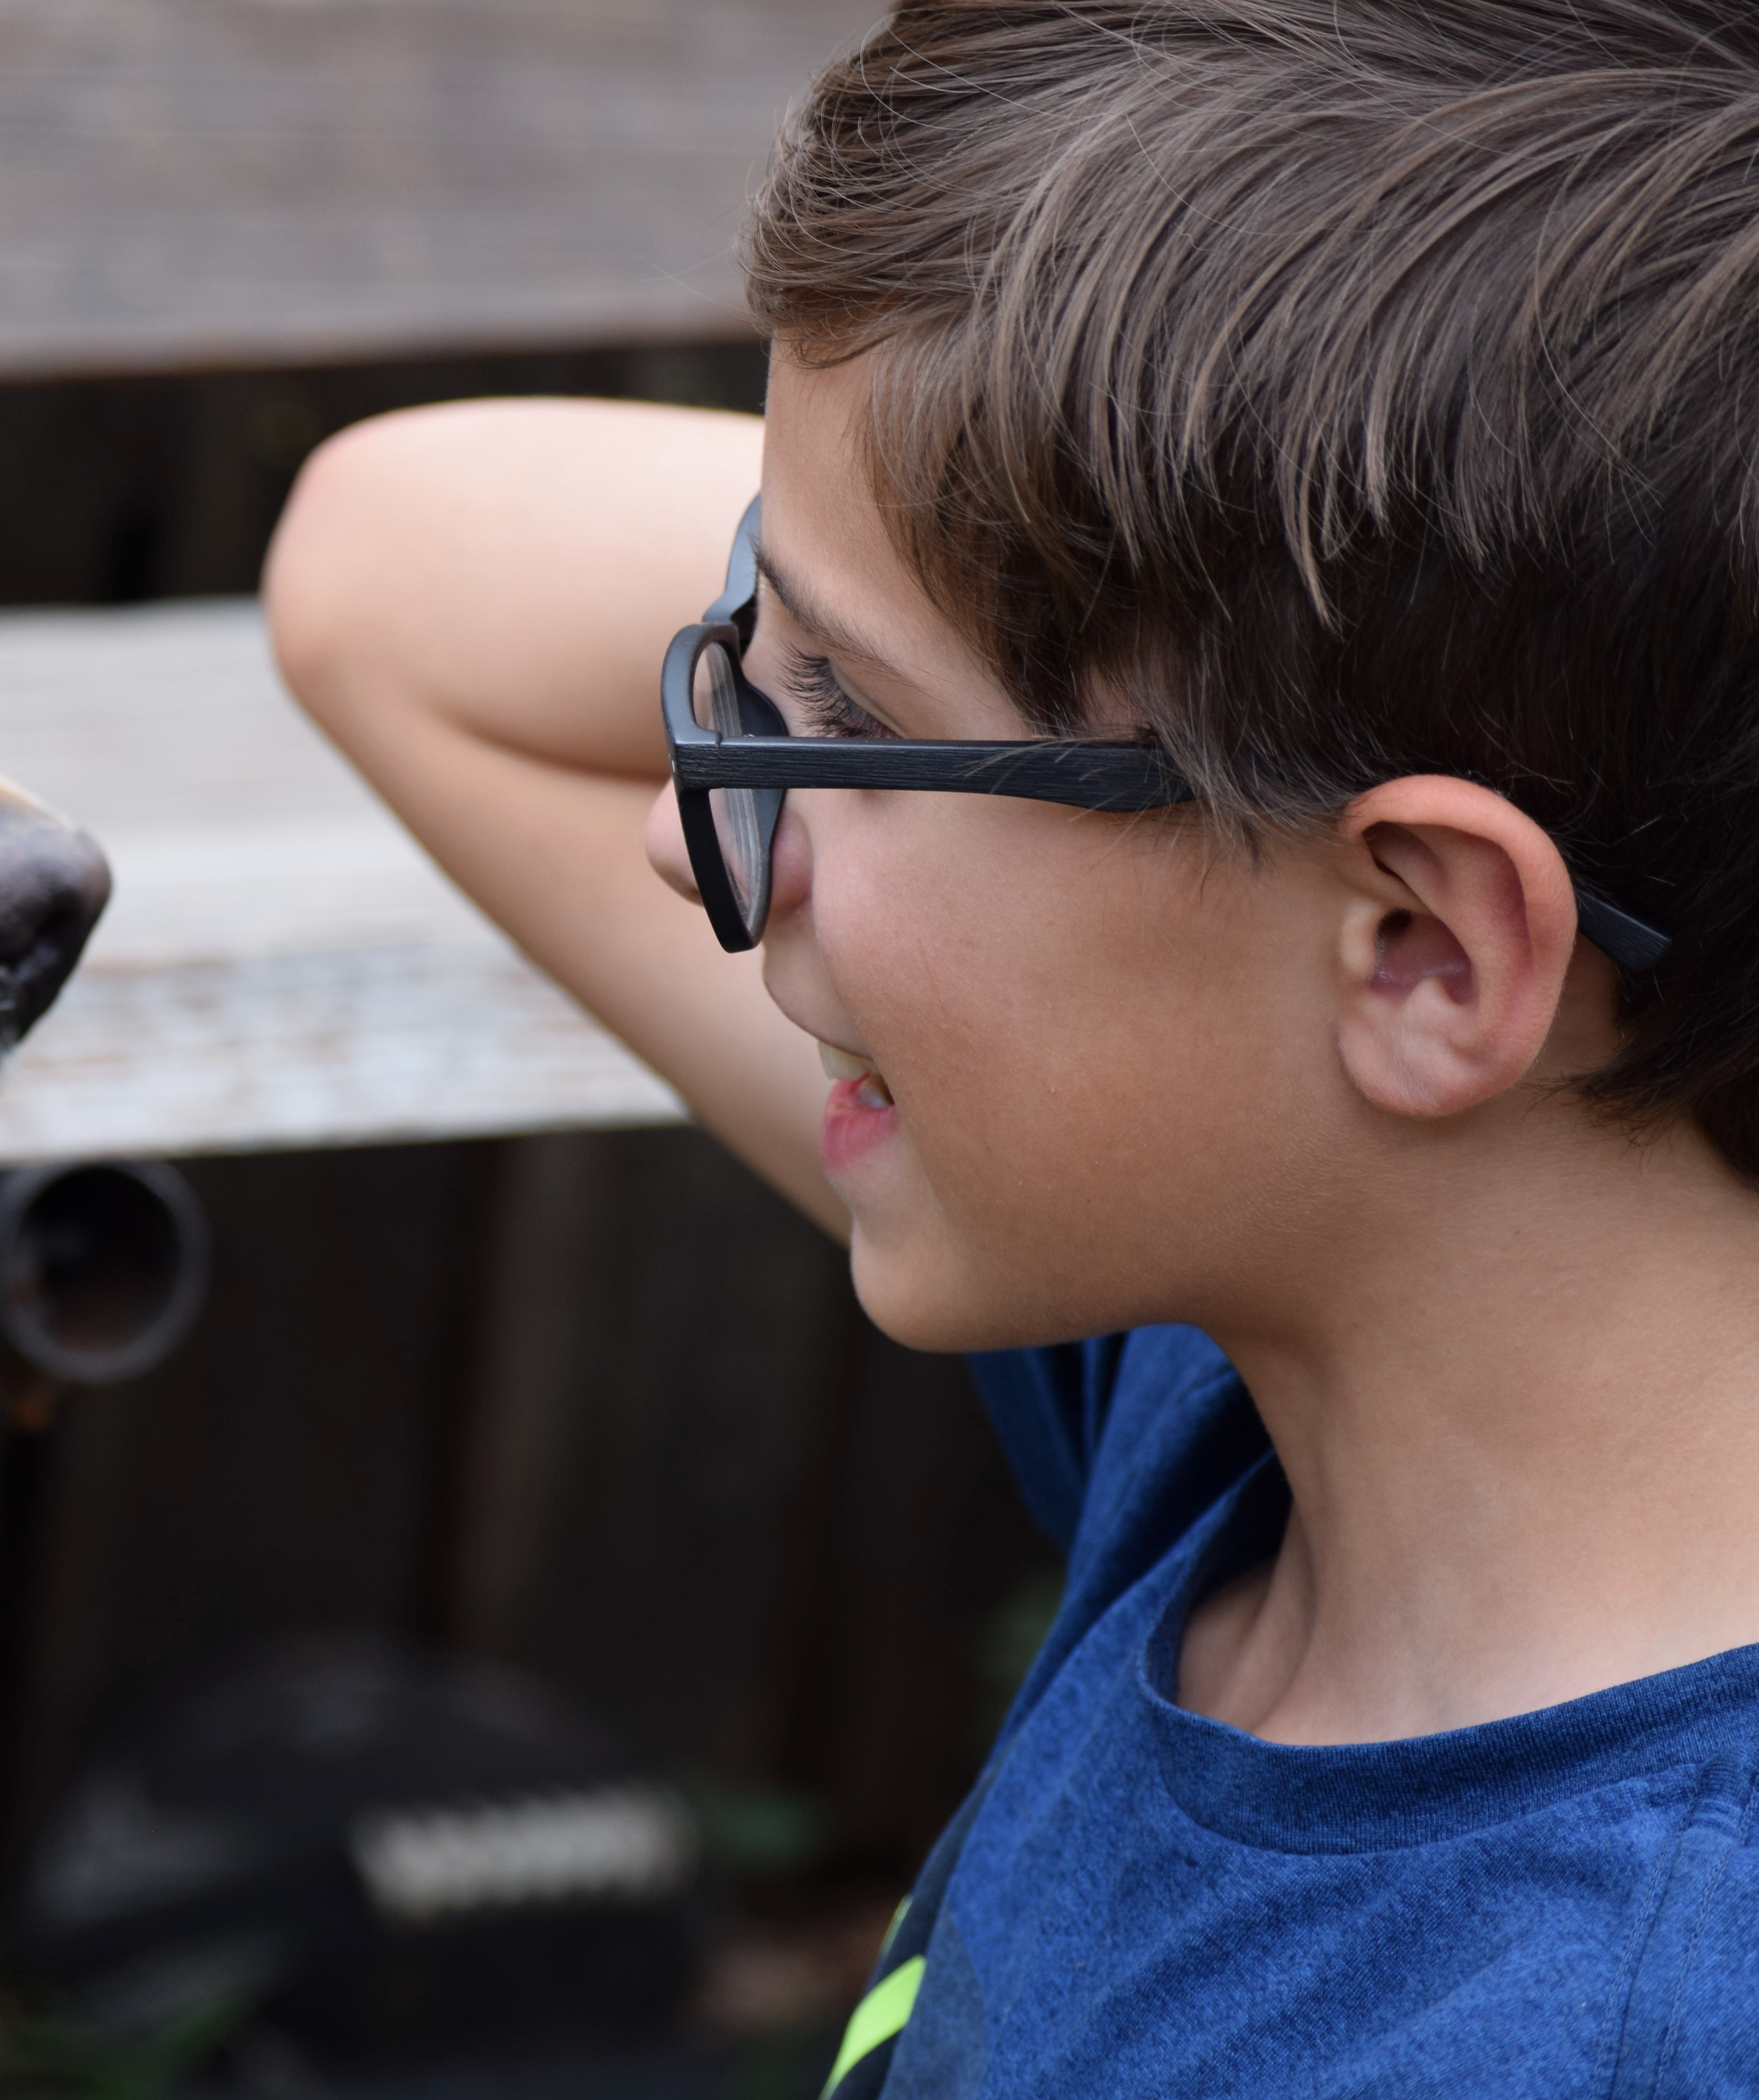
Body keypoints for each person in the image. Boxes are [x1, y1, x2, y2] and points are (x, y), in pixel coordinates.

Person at [263, 1, 1759, 2090]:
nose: (703, 838)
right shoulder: (1272, 1395)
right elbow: (384, 572)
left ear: (1421, 949)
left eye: (853, 727)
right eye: (755, 685)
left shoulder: (1593, 2028)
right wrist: (969, 515)